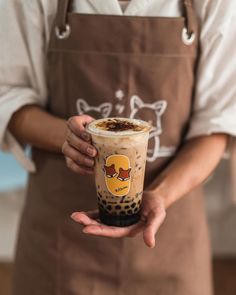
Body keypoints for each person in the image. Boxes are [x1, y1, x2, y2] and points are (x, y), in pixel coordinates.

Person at [0, 0, 236, 294]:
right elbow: (8, 95)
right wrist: (66, 136)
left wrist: (161, 194)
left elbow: (219, 124)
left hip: (171, 245)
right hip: (60, 247)